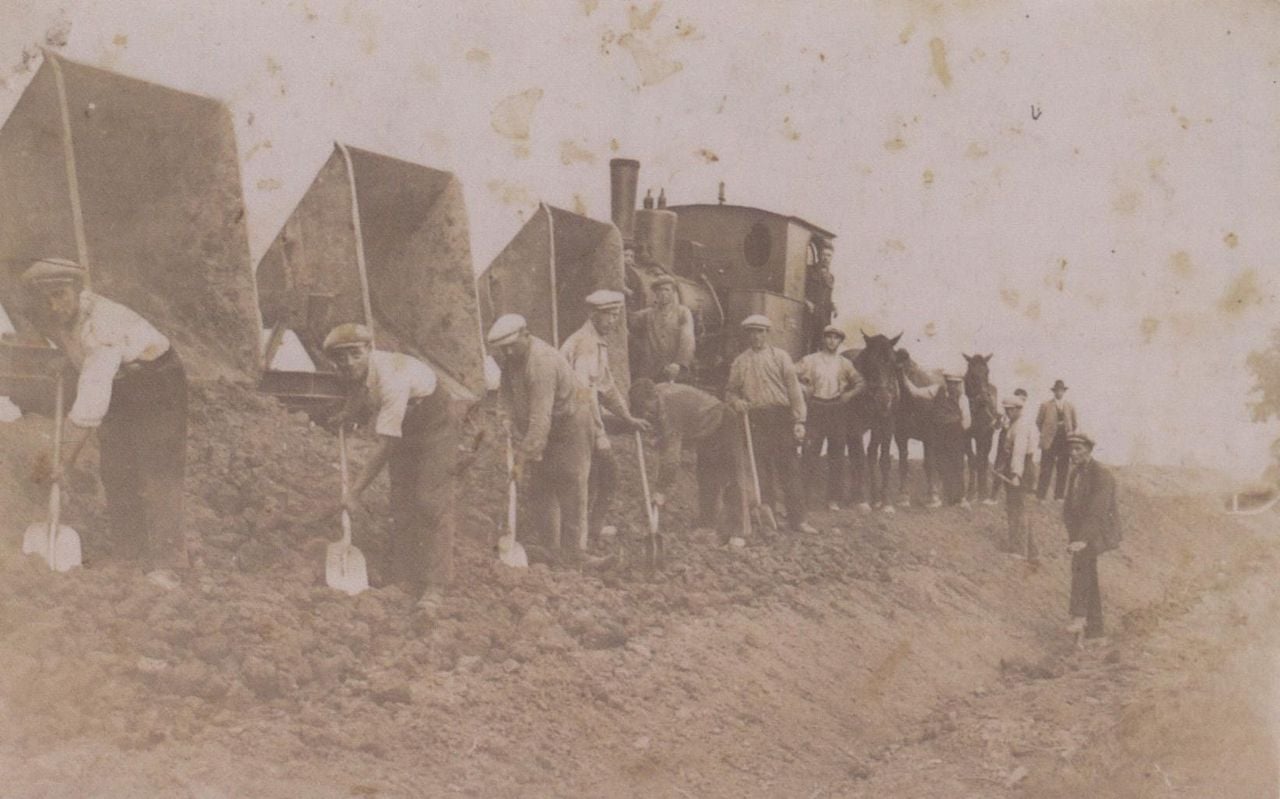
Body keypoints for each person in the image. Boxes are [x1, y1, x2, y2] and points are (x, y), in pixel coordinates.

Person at [21, 257, 188, 587]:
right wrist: (66, 361)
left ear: (78, 291)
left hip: (155, 383)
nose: (55, 305)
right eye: (47, 299)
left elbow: (91, 401)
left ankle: (168, 564)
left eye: (61, 295)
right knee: (116, 469)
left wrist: (62, 458)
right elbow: (78, 351)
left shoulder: (102, 326)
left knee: (156, 470)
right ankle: (128, 554)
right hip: (120, 383)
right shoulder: (55, 316)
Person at [321, 323, 456, 600]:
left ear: (369, 350)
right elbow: (359, 390)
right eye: (340, 358)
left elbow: (386, 447)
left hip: (435, 425)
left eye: (355, 354)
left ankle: (435, 585)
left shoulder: (392, 378)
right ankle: (404, 577)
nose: (348, 363)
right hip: (405, 424)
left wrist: (354, 492)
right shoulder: (358, 372)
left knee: (429, 501)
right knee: (402, 501)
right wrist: (348, 412)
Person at [488, 313, 594, 560]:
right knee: (541, 487)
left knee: (570, 486)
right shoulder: (510, 358)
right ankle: (551, 550)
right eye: (504, 349)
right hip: (544, 427)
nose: (509, 353)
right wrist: (505, 418)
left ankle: (573, 556)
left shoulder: (541, 363)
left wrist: (521, 460)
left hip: (570, 424)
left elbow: (540, 420)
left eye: (512, 346)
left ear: (526, 335)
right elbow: (505, 392)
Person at [560, 290, 650, 545]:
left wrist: (628, 417)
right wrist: (599, 434)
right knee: (602, 476)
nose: (612, 321)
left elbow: (606, 387)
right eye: (608, 315)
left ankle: (587, 532)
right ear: (593, 315)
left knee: (598, 477)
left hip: (582, 419)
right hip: (574, 421)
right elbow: (583, 395)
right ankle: (580, 537)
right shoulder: (586, 344)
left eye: (616, 315)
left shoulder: (596, 342)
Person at [629, 378, 752, 542]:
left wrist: (661, 490)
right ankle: (707, 525)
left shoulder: (670, 408)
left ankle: (739, 532)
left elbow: (672, 458)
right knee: (706, 478)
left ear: (653, 398)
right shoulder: (658, 394)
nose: (646, 414)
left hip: (723, 422)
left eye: (646, 408)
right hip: (704, 432)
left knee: (732, 477)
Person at [725, 314, 816, 534]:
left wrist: (799, 420)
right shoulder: (740, 362)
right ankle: (769, 521)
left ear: (767, 333)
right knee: (761, 471)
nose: (756, 336)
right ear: (747, 335)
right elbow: (730, 391)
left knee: (789, 468)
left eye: (760, 331)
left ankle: (799, 519)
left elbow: (794, 391)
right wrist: (736, 402)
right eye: (752, 332)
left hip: (781, 417)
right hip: (755, 420)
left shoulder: (781, 357)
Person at [795, 324, 865, 511]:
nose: (832, 341)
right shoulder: (810, 360)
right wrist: (804, 387)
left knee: (837, 455)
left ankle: (833, 499)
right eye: (828, 337)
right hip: (816, 408)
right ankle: (804, 498)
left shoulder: (844, 363)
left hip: (836, 410)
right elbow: (791, 376)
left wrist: (848, 395)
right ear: (823, 339)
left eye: (836, 338)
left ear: (840, 342)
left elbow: (860, 382)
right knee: (810, 453)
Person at [1062, 432, 1120, 641]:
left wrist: (1083, 539)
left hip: (1099, 530)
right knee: (1088, 573)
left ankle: (1079, 615)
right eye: (1071, 449)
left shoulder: (1101, 475)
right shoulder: (1075, 474)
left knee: (1081, 566)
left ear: (1089, 450)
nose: (1073, 453)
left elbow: (1098, 511)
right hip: (1081, 531)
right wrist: (1073, 534)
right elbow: (1070, 505)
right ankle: (1096, 632)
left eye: (1078, 449)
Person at [903, 367, 972, 508]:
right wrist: (902, 376)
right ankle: (936, 498)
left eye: (956, 383)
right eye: (951, 382)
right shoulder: (936, 390)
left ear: (959, 384)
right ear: (946, 382)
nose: (953, 385)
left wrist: (956, 432)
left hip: (955, 434)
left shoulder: (962, 397)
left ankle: (960, 498)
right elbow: (915, 392)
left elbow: (967, 419)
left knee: (957, 465)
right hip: (938, 433)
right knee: (938, 463)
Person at [629, 274, 696, 383]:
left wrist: (679, 363)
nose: (663, 293)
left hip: (672, 370)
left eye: (667, 290)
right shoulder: (648, 314)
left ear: (673, 292)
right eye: (659, 290)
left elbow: (687, 340)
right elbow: (629, 319)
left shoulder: (682, 312)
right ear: (655, 293)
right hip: (650, 370)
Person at [997, 395, 1039, 563]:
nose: (1007, 413)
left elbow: (1019, 452)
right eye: (1006, 409)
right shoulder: (1018, 423)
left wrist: (1015, 475)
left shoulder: (1021, 426)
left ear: (1016, 409)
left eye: (1009, 410)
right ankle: (1032, 551)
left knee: (1017, 510)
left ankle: (1019, 550)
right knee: (1018, 509)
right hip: (1021, 468)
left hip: (1021, 469)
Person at [1036, 379, 1078, 501]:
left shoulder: (1070, 406)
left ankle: (1059, 496)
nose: (1059, 393)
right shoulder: (1045, 405)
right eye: (1057, 390)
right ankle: (1041, 496)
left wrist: (1068, 433)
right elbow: (1039, 422)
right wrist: (1046, 434)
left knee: (1063, 468)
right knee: (1046, 468)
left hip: (1064, 440)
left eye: (1061, 390)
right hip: (1050, 440)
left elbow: (1074, 424)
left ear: (1064, 391)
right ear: (1054, 391)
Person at [986, 387, 1028, 504]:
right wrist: (998, 420)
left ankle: (1015, 496)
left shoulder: (1022, 420)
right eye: (1019, 399)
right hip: (1004, 443)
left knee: (1013, 470)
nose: (1021, 402)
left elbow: (1019, 450)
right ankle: (993, 496)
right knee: (999, 468)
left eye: (1024, 400)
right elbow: (996, 427)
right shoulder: (1007, 415)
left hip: (1015, 447)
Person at [804, 238, 837, 352]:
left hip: (824, 316)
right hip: (811, 315)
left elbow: (828, 297)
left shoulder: (831, 277)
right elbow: (798, 289)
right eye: (824, 254)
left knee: (823, 344)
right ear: (819, 255)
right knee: (808, 343)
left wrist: (833, 306)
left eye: (829, 255)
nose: (826, 258)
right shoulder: (809, 271)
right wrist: (806, 301)